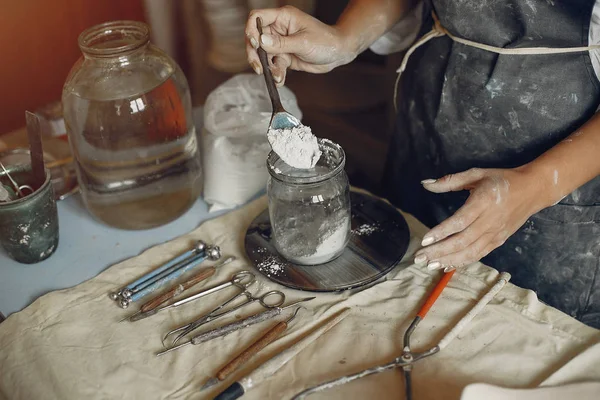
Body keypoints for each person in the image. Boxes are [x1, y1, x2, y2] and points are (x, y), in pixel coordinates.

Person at [244, 1, 600, 329]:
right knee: (394, 305)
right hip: (426, 121)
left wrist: (537, 185)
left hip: (556, 184)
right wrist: (346, 36)